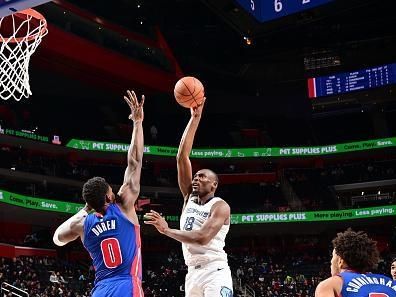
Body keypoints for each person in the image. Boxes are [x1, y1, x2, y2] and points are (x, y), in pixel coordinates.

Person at [53, 90, 145, 297]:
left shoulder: (82, 224)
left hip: (100, 290)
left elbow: (57, 238)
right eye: (111, 190)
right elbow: (135, 161)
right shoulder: (123, 206)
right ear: (108, 197)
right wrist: (137, 123)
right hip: (127, 285)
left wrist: (85, 210)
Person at [145, 99, 233, 297]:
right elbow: (181, 157)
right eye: (195, 175)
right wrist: (195, 118)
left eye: (202, 176)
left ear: (214, 185)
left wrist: (167, 230)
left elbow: (202, 238)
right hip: (192, 274)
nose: (196, 178)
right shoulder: (188, 198)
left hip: (215, 271)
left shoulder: (220, 206)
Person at [315, 229, 396, 297]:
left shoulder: (330, 284)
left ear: (340, 261)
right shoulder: (390, 282)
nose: (331, 262)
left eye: (332, 257)